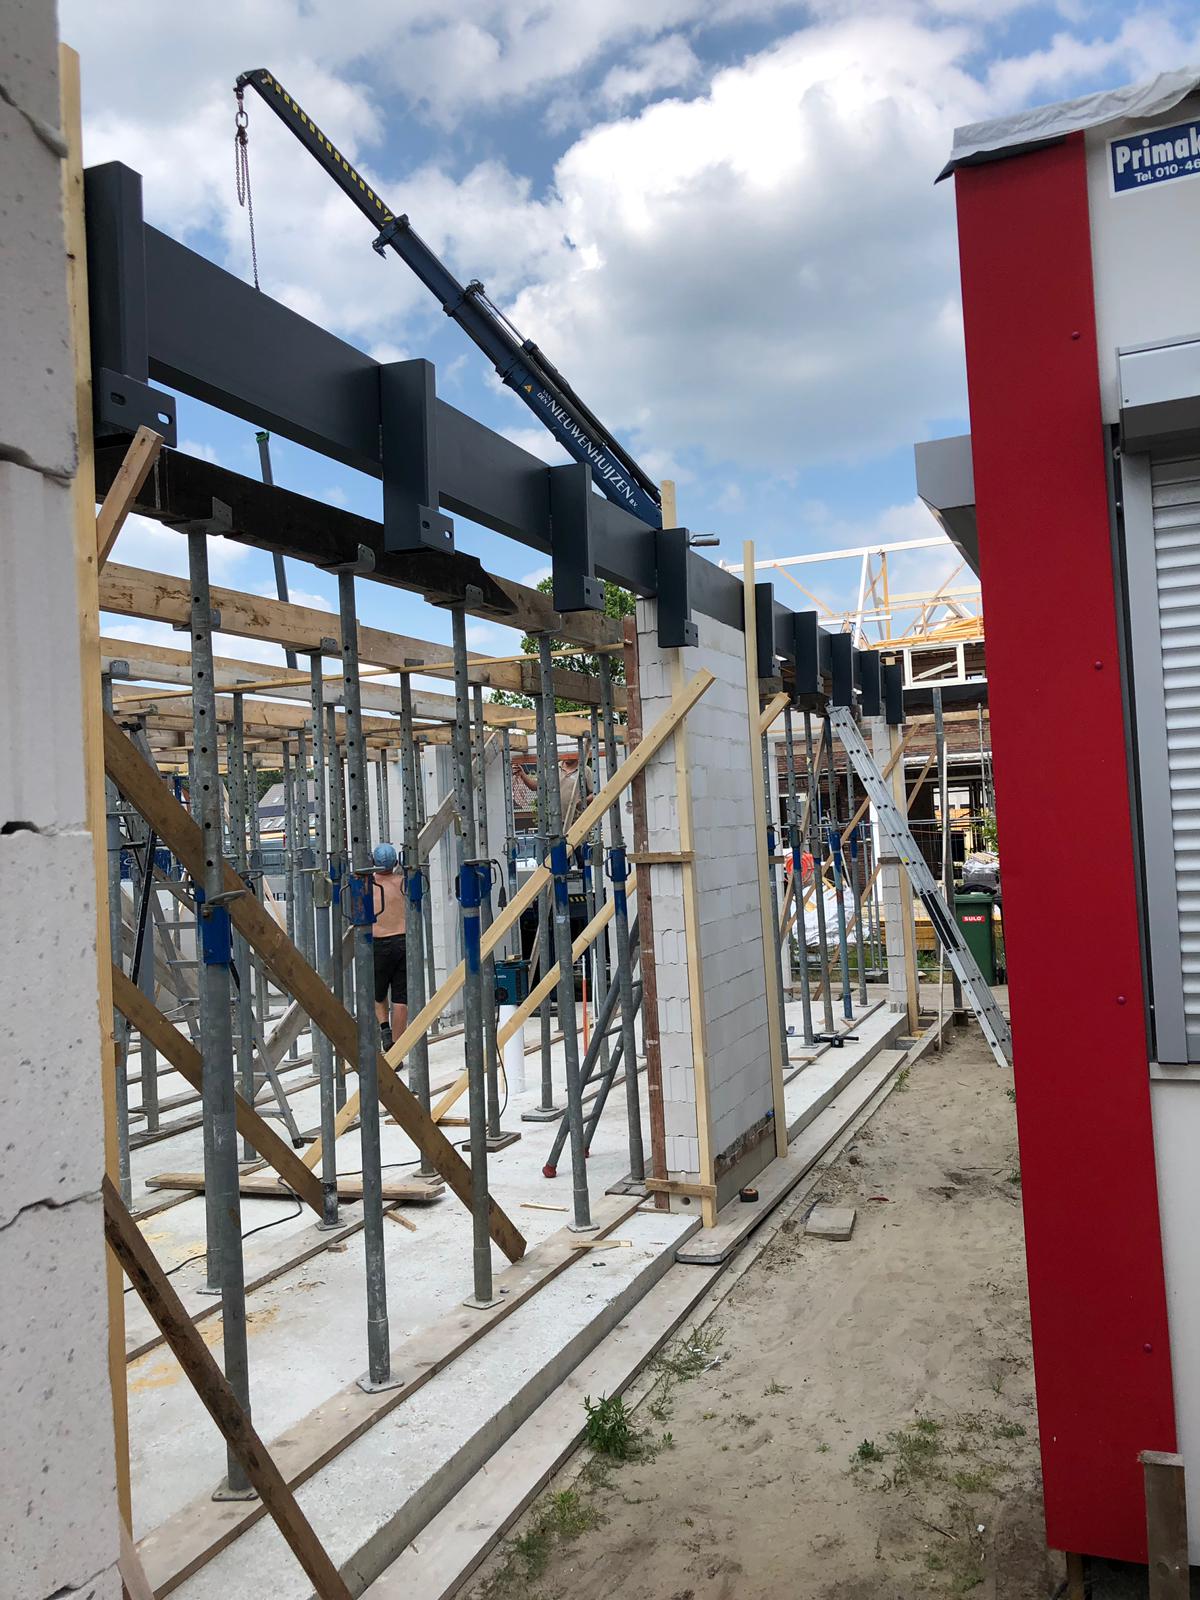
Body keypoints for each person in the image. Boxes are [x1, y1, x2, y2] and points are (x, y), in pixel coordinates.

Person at [371, 842, 407, 1052]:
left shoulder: (369, 885)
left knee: (378, 993)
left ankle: (385, 1028)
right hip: (403, 942)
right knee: (401, 999)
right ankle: (397, 1049)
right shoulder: (403, 883)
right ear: (395, 862)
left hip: (379, 943)